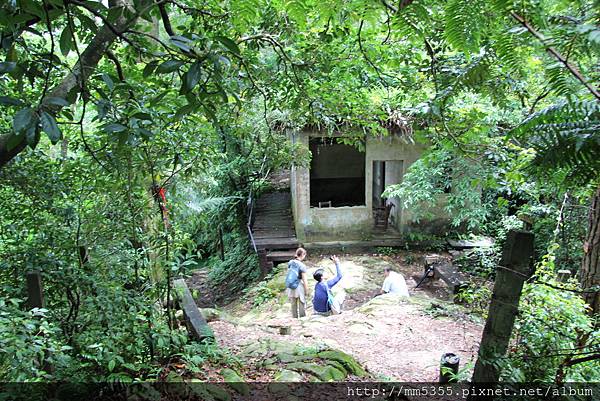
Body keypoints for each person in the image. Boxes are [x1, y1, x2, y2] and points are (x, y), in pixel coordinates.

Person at [285, 248, 309, 318]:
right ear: (302, 255)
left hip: (290, 285)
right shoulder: (302, 265)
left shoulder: (290, 262)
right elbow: (305, 280)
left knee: (293, 303)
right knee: (301, 301)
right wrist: (306, 290)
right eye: (304, 255)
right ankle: (302, 317)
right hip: (298, 286)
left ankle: (294, 317)